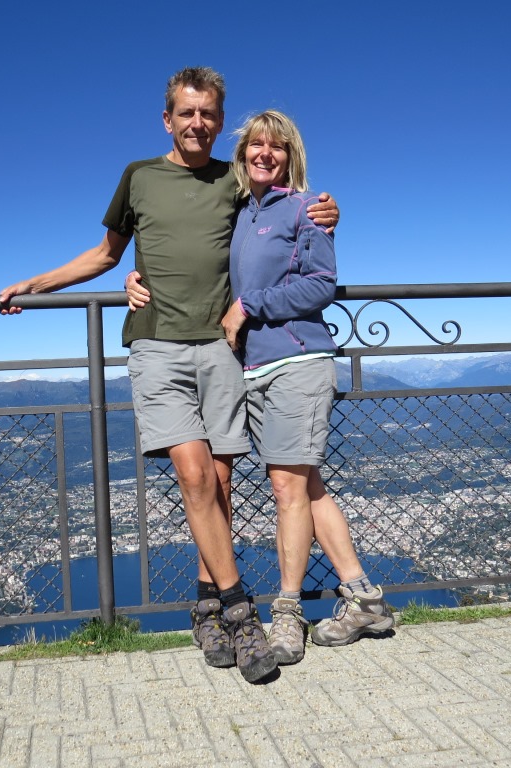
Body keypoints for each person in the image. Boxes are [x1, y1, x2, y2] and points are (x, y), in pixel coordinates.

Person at [0, 67, 338, 683]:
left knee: (220, 482)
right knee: (192, 473)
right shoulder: (139, 177)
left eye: (208, 113)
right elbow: (106, 254)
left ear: (219, 120)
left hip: (222, 348)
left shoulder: (235, 181)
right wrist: (35, 283)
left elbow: (280, 215)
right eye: (187, 112)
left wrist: (325, 211)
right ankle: (240, 612)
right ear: (167, 119)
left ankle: (206, 609)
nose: (197, 123)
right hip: (157, 343)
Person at [128, 110, 393, 666]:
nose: (264, 154)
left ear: (290, 155)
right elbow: (188, 251)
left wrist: (249, 305)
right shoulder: (241, 211)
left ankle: (288, 613)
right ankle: (365, 598)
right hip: (252, 368)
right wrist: (135, 276)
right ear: (243, 153)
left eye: (276, 146)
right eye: (255, 145)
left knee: (287, 489)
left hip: (296, 360)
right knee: (306, 485)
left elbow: (321, 284)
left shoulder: (304, 208)